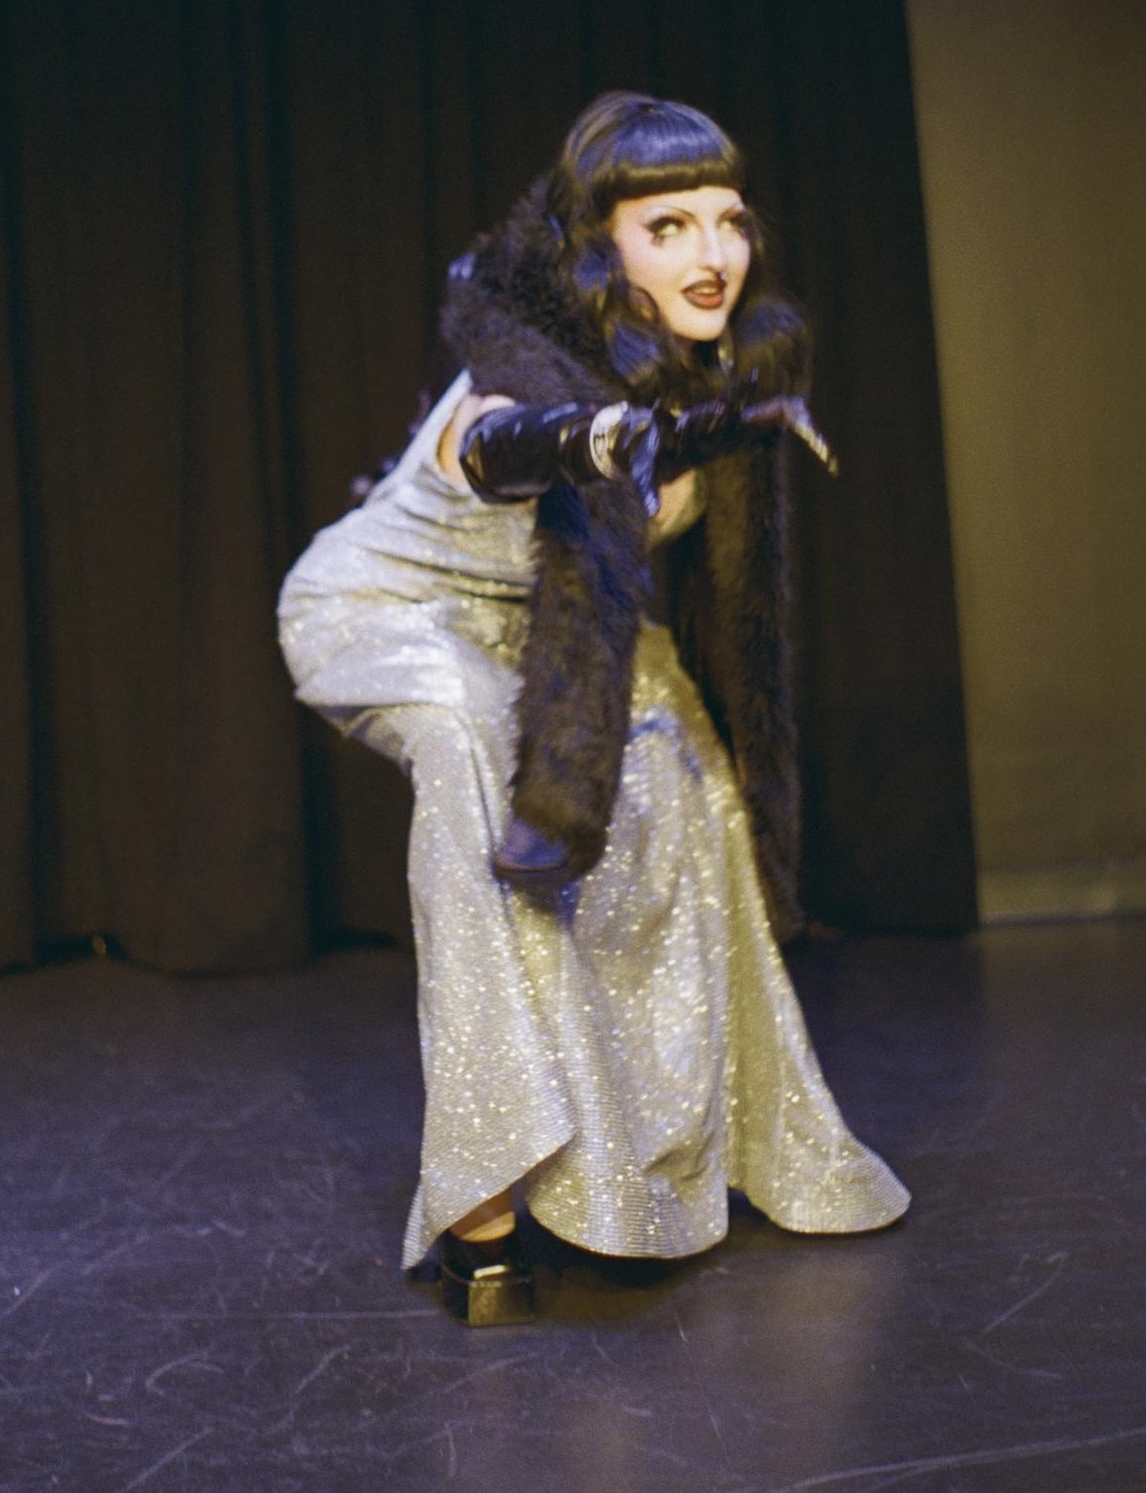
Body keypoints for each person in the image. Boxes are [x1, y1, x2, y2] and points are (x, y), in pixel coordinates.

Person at [277, 91, 909, 1325]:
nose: (711, 254)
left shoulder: (726, 365)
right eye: (666, 226)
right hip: (393, 615)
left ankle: (670, 1165)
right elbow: (503, 445)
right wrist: (603, 439)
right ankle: (480, 1200)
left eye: (725, 221)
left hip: (570, 631)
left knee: (686, 779)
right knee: (469, 754)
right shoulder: (517, 371)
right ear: (601, 249)